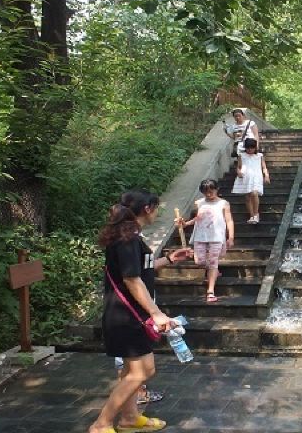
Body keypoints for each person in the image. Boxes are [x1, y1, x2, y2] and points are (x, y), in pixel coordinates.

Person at [89, 190, 191, 433]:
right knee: (140, 372)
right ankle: (100, 424)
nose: (158, 212)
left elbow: (141, 269)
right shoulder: (128, 238)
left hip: (131, 315)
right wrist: (156, 313)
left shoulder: (130, 236)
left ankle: (130, 418)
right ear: (148, 208)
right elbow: (132, 280)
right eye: (157, 208)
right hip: (125, 316)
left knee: (137, 371)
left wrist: (170, 260)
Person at [177, 179, 234, 303]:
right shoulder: (199, 203)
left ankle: (210, 291)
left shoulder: (224, 203)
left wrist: (231, 237)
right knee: (199, 261)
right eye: (206, 192)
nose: (209, 194)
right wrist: (185, 223)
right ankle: (215, 270)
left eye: (211, 191)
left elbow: (229, 220)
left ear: (216, 189)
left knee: (213, 262)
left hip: (217, 236)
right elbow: (198, 218)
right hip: (201, 235)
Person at [232, 138, 270, 224]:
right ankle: (252, 215)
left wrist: (266, 175)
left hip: (257, 176)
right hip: (245, 177)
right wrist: (238, 172)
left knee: (254, 193)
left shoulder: (259, 156)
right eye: (248, 148)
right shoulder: (242, 155)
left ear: (255, 147)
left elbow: (264, 167)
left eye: (252, 148)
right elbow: (238, 166)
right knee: (248, 197)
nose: (250, 150)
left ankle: (256, 214)